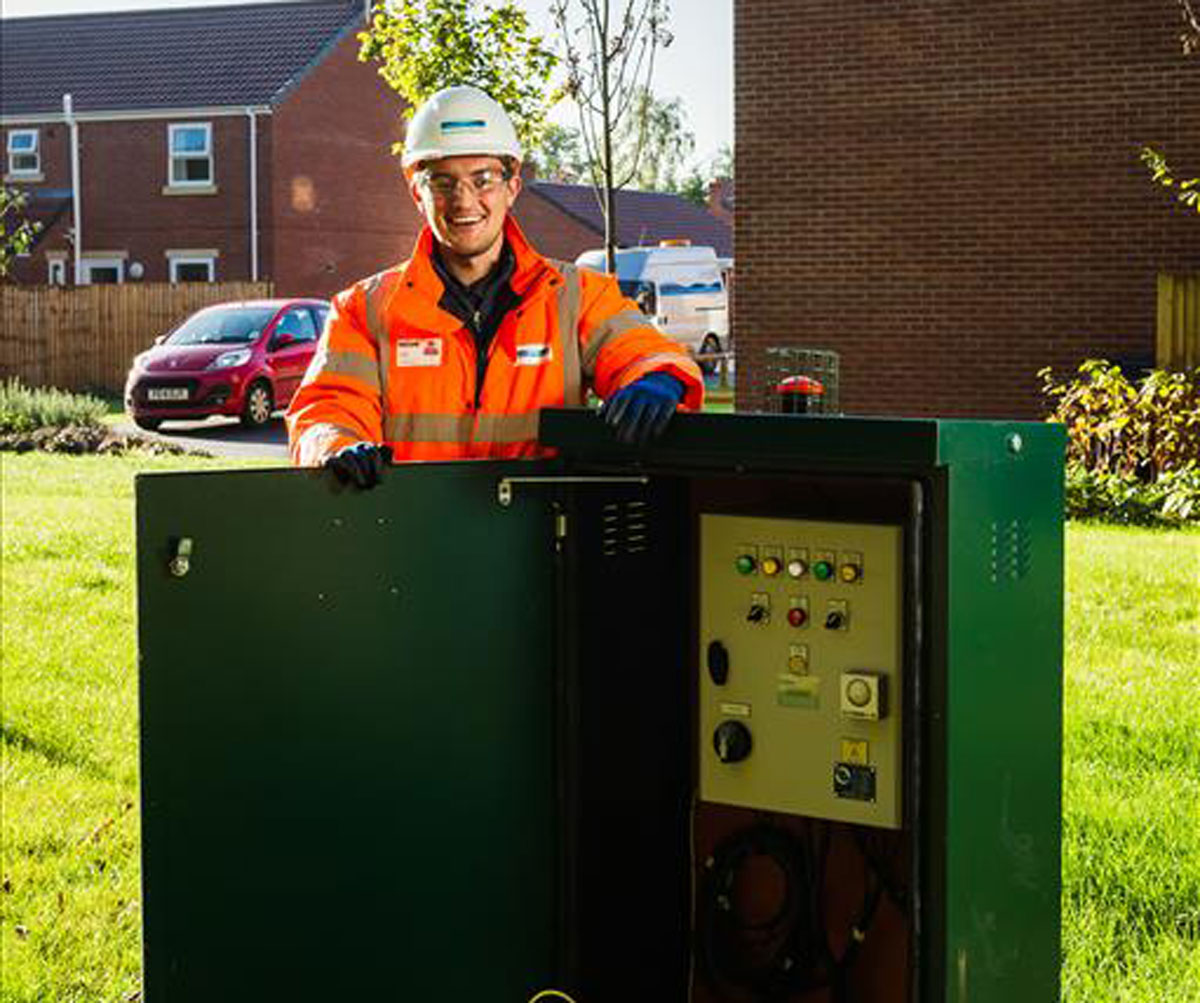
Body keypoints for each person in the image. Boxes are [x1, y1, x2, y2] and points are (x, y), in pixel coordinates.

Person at [286, 85, 704, 489]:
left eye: (483, 179)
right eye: (443, 182)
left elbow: (645, 352)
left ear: (512, 186)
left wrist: (657, 377)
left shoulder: (576, 297)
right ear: (418, 193)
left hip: (536, 537)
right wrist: (335, 446)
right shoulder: (365, 309)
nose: (464, 201)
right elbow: (327, 407)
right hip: (409, 538)